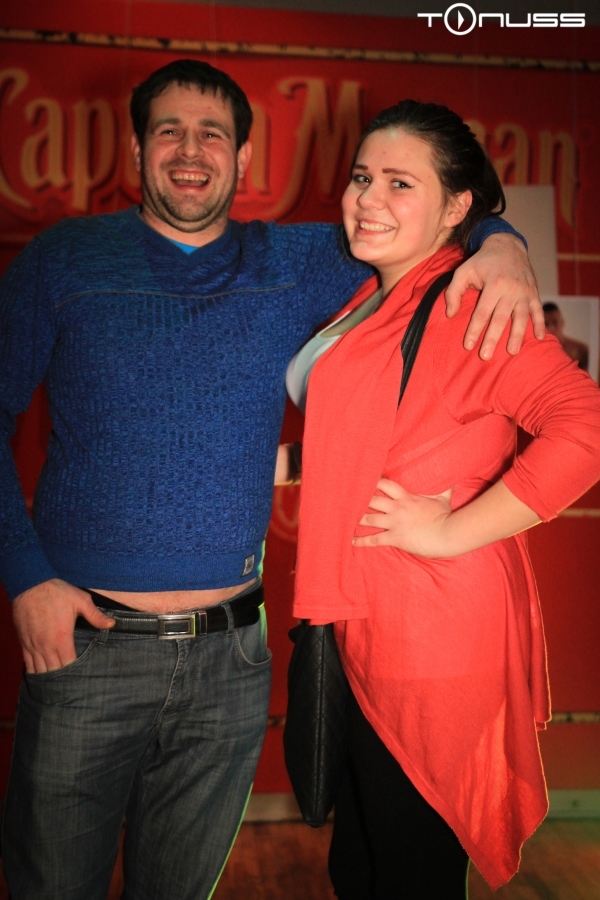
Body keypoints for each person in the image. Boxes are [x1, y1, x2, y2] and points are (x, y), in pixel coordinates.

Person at [0, 57, 540, 900]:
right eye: (169, 131)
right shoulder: (62, 261)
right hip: (86, 649)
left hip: (230, 664)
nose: (191, 151)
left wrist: (504, 244)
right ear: (136, 149)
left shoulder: (299, 260)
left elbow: (427, 218)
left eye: (212, 134)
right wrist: (26, 577)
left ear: (243, 158)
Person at [288, 100, 600, 898]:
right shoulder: (376, 298)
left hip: (429, 632)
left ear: (456, 207)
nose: (368, 199)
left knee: (408, 868)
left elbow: (587, 427)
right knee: (362, 864)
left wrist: (451, 530)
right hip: (366, 616)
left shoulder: (467, 304)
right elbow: (381, 438)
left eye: (400, 183)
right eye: (362, 177)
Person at [543, 300, 589, 371]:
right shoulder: (534, 350)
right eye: (546, 324)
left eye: (555, 323)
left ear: (562, 323)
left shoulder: (580, 350)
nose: (551, 328)